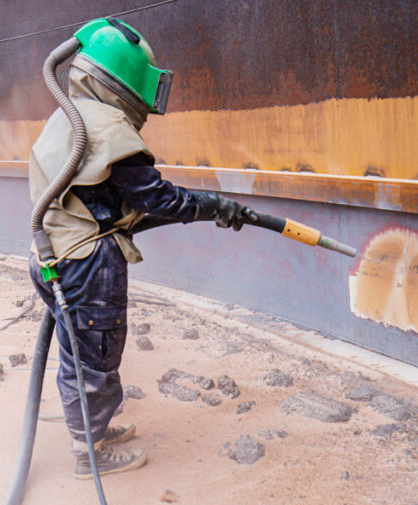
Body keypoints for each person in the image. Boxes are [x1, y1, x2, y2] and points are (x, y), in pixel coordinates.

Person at [28, 18, 251, 479]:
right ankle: (89, 454)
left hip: (53, 257)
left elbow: (104, 197)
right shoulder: (109, 130)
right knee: (97, 355)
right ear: (127, 82)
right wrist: (212, 206)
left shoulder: (70, 115)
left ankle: (91, 431)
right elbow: (158, 199)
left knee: (78, 349)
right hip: (87, 264)